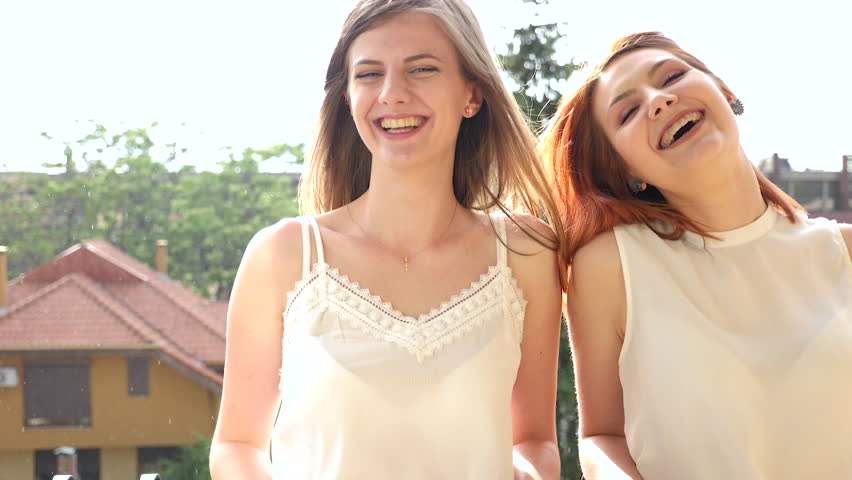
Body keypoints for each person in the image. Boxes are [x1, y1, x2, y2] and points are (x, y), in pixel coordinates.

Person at [209, 1, 565, 479]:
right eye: (369, 74)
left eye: (422, 69)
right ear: (348, 98)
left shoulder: (526, 253)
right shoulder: (283, 255)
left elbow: (535, 441)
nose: (392, 94)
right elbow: (237, 445)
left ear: (472, 95)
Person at [541, 31, 852, 480]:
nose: (658, 101)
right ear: (623, 168)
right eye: (628, 111)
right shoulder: (613, 266)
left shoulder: (842, 251)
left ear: (725, 91)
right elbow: (601, 437)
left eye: (670, 77)